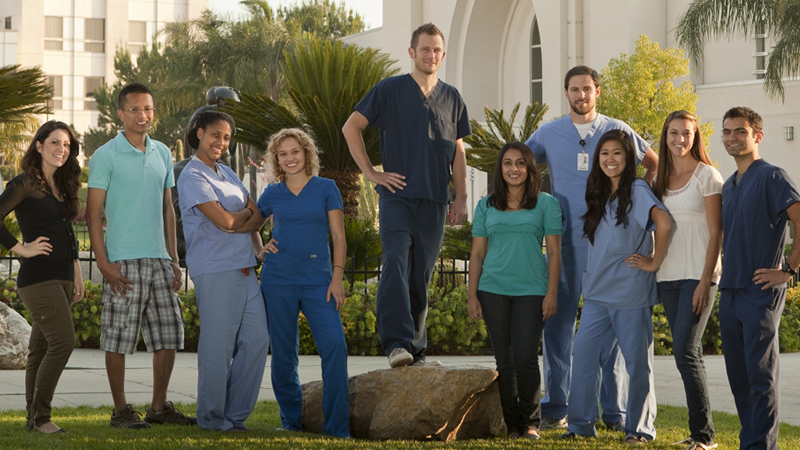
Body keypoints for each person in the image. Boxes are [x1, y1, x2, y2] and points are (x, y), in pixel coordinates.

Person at [523, 64, 659, 430]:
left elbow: (654, 164)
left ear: (597, 91)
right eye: (574, 89)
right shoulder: (548, 133)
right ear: (566, 92)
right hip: (565, 245)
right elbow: (519, 165)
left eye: (587, 88)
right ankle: (556, 407)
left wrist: (635, 196)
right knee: (557, 327)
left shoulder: (618, 130)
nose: (581, 95)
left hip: (612, 248)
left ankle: (614, 412)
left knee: (611, 332)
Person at [342, 22, 470, 368]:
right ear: (412, 52)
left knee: (421, 274)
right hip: (396, 197)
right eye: (425, 48)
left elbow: (458, 150)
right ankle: (396, 343)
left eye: (437, 50)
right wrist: (371, 173)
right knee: (396, 261)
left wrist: (460, 196)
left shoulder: (452, 97)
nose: (431, 55)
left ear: (443, 55)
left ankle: (416, 347)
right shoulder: (389, 89)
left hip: (435, 200)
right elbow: (351, 126)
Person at [86, 82, 195, 429]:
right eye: (134, 109)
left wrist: (173, 258)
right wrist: (103, 263)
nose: (142, 115)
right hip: (123, 261)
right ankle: (120, 411)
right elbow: (92, 213)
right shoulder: (105, 155)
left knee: (168, 335)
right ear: (120, 114)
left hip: (160, 260)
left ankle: (158, 409)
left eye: (147, 109)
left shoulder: (162, 152)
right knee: (118, 338)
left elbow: (168, 209)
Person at [561, 130, 671, 444]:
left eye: (617, 153)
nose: (610, 159)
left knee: (637, 365)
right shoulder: (598, 192)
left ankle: (639, 429)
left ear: (629, 158)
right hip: (596, 293)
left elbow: (664, 222)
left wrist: (654, 261)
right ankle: (580, 425)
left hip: (630, 292)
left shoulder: (637, 188)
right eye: (605, 153)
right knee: (584, 357)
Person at [177, 110, 269, 431]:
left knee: (258, 340)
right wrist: (240, 218)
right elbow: (226, 221)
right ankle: (212, 418)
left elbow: (257, 216)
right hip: (215, 270)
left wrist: (237, 221)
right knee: (218, 347)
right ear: (199, 133)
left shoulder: (227, 172)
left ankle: (235, 415)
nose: (221, 142)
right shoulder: (192, 176)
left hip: (245, 269)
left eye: (227, 137)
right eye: (215, 134)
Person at [258, 128, 350, 438]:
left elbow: (338, 236)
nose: (289, 158)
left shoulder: (326, 188)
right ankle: (290, 422)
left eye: (295, 151)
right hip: (278, 280)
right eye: (282, 154)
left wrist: (337, 277)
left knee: (334, 346)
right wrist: (259, 249)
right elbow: (251, 224)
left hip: (319, 282)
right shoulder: (272, 193)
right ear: (276, 159)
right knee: (284, 353)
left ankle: (337, 428)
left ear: (306, 153)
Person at [718, 106, 800, 450]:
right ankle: (751, 441)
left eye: (741, 131)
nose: (732, 138)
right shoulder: (728, 185)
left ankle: (761, 447)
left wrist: (789, 269)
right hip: (730, 291)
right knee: (739, 377)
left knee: (760, 375)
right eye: (727, 132)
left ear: (758, 136)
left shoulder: (772, 176)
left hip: (760, 290)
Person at [467, 142, 561, 440]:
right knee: (504, 361)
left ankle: (531, 423)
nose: (514, 169)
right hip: (492, 289)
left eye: (520, 163)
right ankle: (513, 426)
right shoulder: (485, 206)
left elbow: (554, 252)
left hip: (532, 289)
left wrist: (552, 293)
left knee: (525, 356)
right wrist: (472, 295)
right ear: (500, 168)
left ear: (529, 168)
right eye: (507, 163)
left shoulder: (546, 203)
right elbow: (477, 254)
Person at [0, 121, 84, 434]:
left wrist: (76, 272)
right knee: (63, 342)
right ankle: (42, 417)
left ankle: (31, 418)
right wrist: (21, 248)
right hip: (38, 278)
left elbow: (68, 233)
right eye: (55, 142)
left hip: (63, 276)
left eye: (67, 145)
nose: (61, 150)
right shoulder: (24, 184)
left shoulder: (62, 185)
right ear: (39, 145)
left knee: (40, 349)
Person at [652, 111, 722, 450]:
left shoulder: (707, 175)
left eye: (687, 133)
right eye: (674, 133)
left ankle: (704, 436)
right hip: (667, 276)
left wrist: (705, 280)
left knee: (686, 351)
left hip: (698, 275)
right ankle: (698, 432)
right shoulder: (659, 179)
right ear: (665, 137)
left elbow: (716, 232)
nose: (680, 139)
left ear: (695, 138)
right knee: (686, 353)